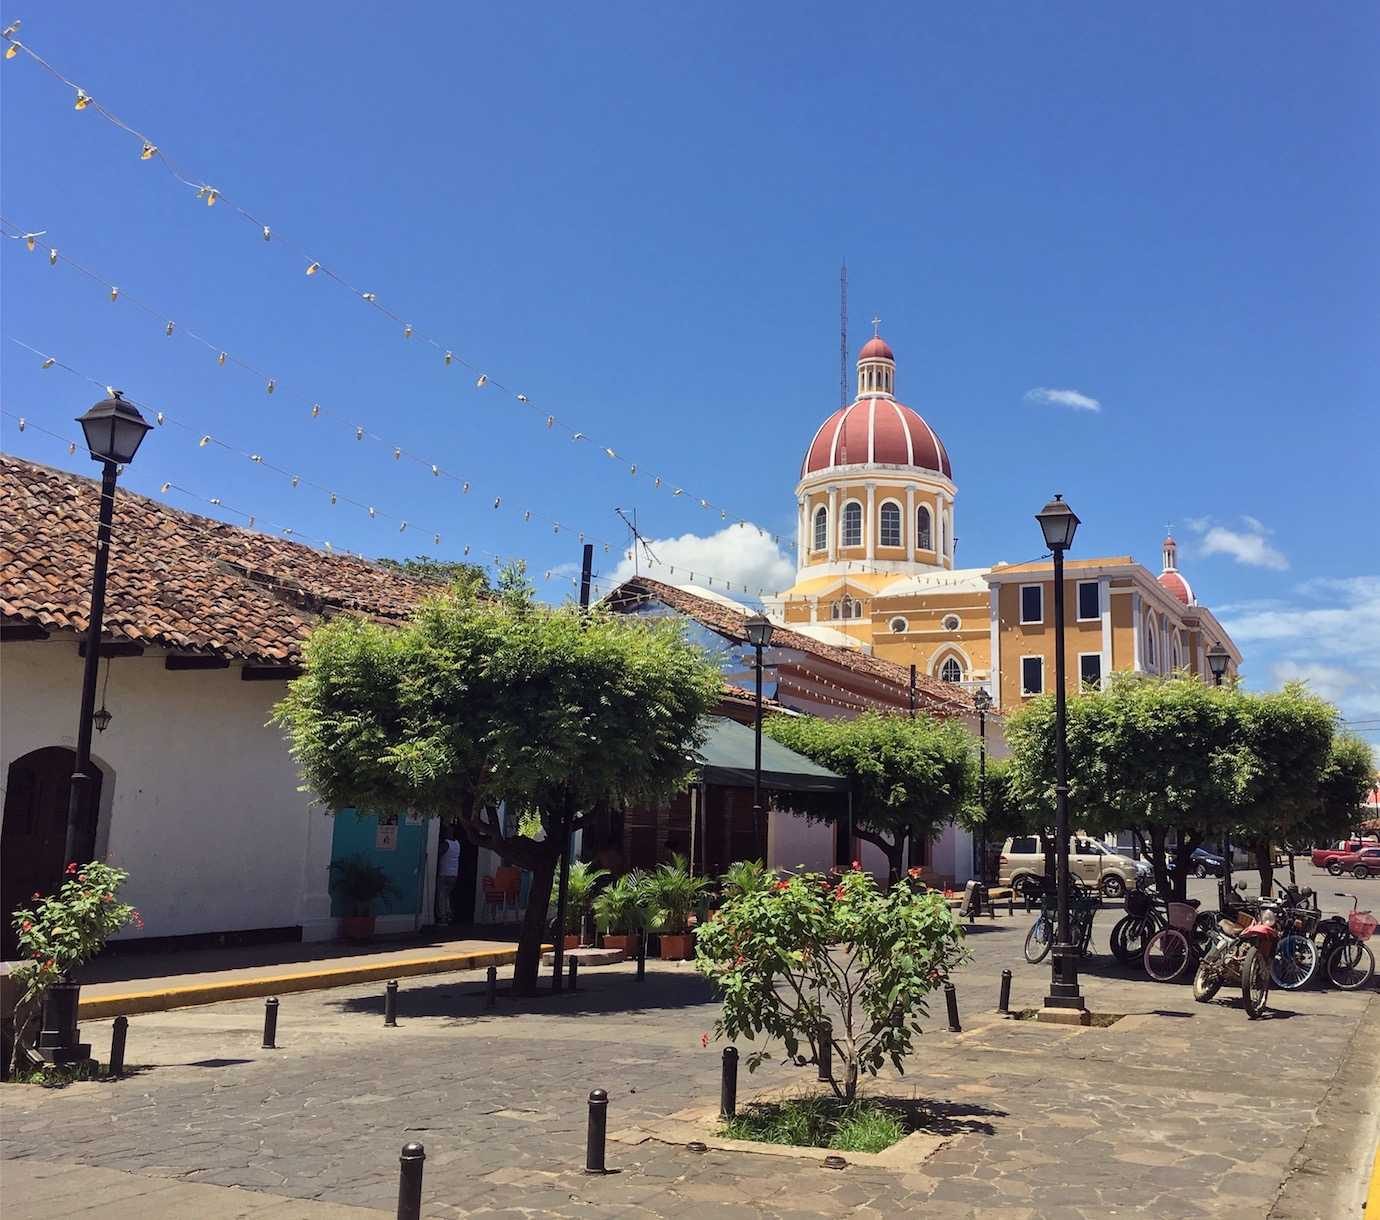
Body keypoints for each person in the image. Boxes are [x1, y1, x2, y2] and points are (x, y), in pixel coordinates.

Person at [436, 831, 460, 924]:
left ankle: (443, 917)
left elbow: (439, 853)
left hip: (444, 873)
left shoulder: (446, 844)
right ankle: (449, 914)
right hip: (454, 874)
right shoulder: (457, 844)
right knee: (447, 895)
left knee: (441, 896)